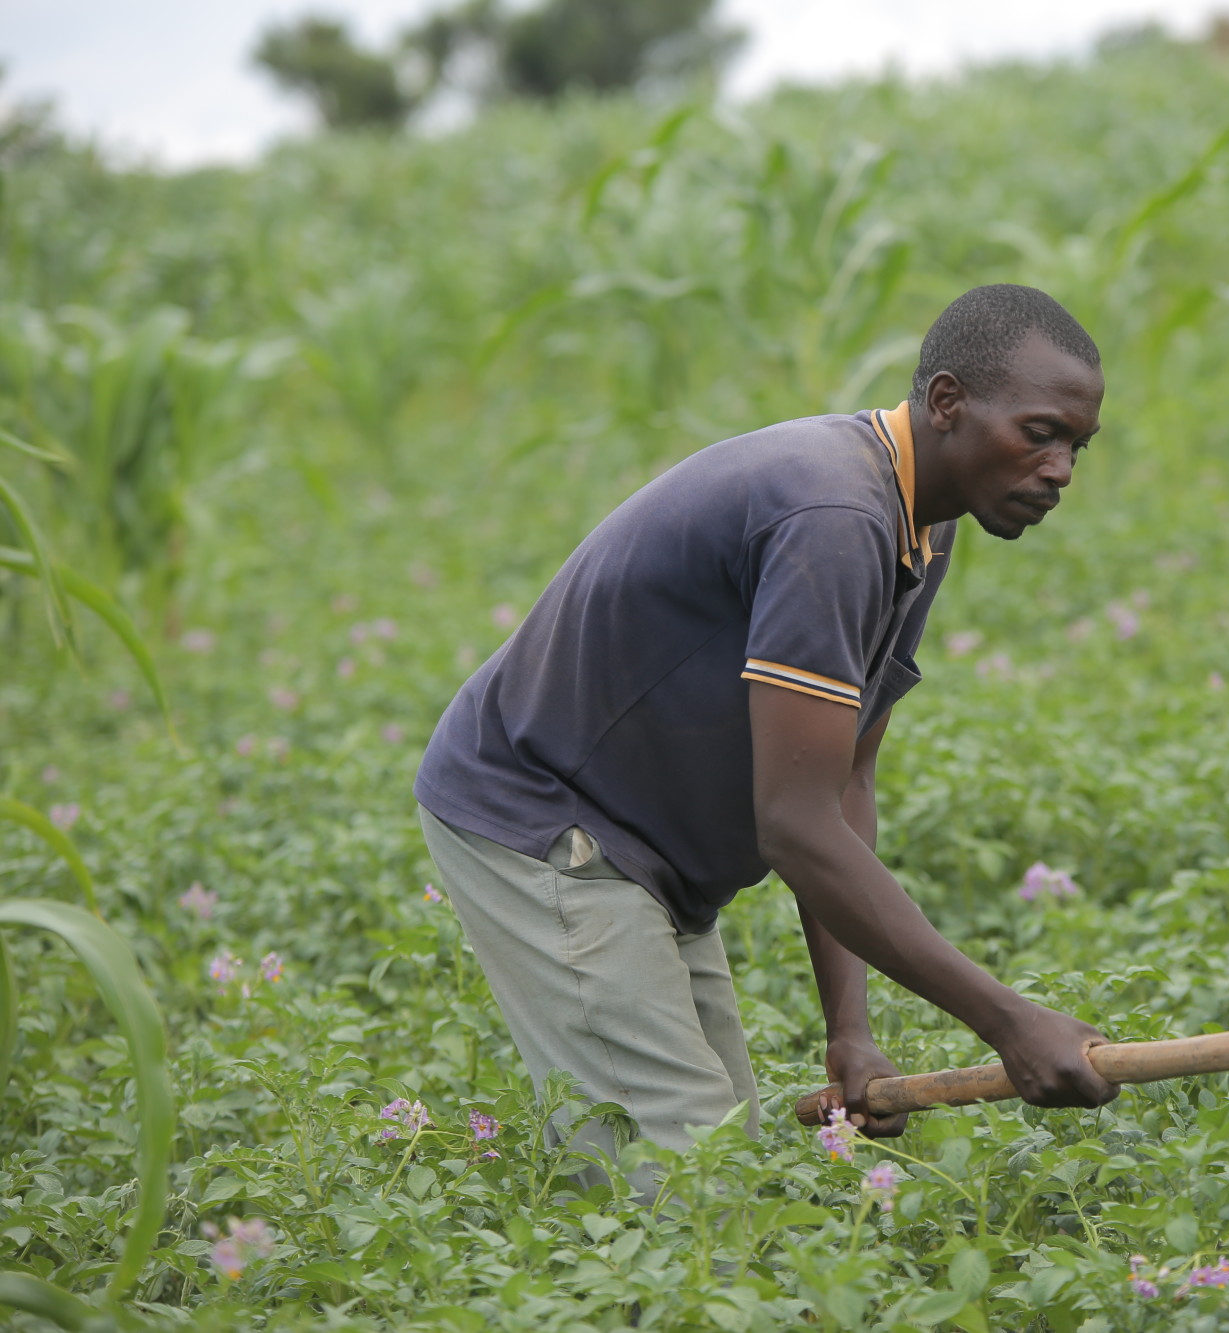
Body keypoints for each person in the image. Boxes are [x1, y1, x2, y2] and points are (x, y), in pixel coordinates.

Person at [413, 284, 1119, 1187]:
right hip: (544, 820)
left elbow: (841, 784)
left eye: (1076, 446)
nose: (1061, 469)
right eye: (1040, 433)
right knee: (690, 1184)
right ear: (948, 402)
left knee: (719, 1150)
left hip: (645, 845)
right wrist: (1009, 1021)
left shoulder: (922, 523)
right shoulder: (834, 516)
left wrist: (850, 1032)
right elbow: (795, 824)